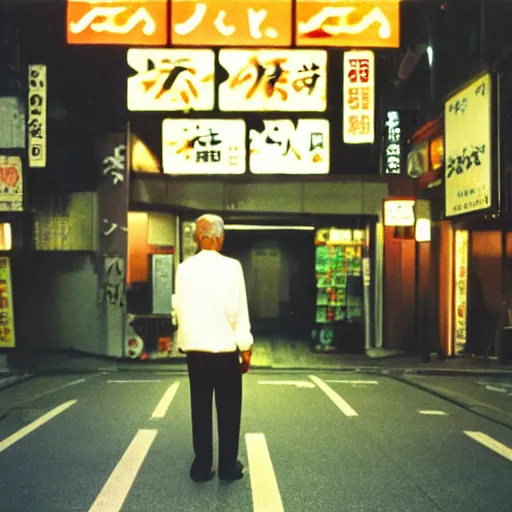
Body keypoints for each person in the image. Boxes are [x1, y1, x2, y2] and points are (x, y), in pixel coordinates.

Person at [173, 214, 253, 483]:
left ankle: (201, 467)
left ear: (198, 237)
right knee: (229, 409)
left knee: (200, 407)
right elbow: (237, 311)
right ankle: (228, 468)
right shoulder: (232, 267)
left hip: (195, 351)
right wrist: (246, 347)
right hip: (224, 350)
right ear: (219, 239)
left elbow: (179, 309)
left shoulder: (184, 269)